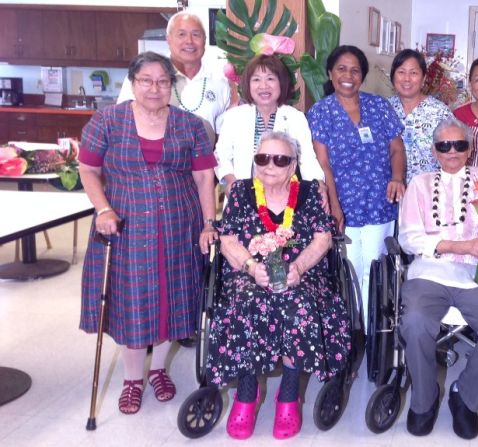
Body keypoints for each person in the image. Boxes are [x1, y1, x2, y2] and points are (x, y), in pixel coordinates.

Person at [78, 51, 218, 415]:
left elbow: (204, 177)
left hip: (178, 226)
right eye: (146, 80)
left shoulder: (191, 125)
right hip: (126, 227)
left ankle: (158, 371)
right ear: (133, 82)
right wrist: (103, 208)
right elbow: (88, 170)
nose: (155, 88)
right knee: (133, 302)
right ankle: (132, 379)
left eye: (163, 81)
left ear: (173, 85)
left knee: (173, 298)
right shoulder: (107, 120)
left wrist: (208, 223)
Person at [206, 132, 349, 440]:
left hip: (304, 273)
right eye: (262, 158)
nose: (270, 165)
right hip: (248, 273)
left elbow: (323, 238)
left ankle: (288, 395)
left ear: (293, 164)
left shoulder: (310, 193)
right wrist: (250, 267)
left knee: (298, 304)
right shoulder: (241, 191)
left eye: (280, 159)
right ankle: (246, 394)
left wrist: (298, 267)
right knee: (247, 303)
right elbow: (228, 238)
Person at [398, 118, 478, 440]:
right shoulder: (420, 184)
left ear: (470, 150)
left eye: (459, 145)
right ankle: (424, 401)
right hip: (430, 273)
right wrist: (457, 245)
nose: (452, 151)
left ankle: (465, 397)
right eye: (444, 145)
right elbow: (409, 238)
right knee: (414, 323)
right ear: (434, 151)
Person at [307, 45, 406, 315]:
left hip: (380, 202)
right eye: (341, 68)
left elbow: (397, 148)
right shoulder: (320, 112)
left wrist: (397, 177)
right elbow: (322, 164)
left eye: (355, 70)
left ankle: (373, 332)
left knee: (375, 270)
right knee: (350, 270)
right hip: (344, 204)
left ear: (362, 75)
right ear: (330, 73)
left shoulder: (379, 106)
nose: (348, 75)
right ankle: (353, 330)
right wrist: (335, 206)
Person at [214, 54, 324, 196]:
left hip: (283, 198)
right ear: (248, 84)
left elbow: (307, 159)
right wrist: (233, 183)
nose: (263, 86)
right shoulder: (234, 116)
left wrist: (319, 184)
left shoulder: (295, 117)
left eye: (270, 79)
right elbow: (221, 156)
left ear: (281, 83)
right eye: (256, 79)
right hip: (242, 196)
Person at [117, 11, 232, 142]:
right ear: (168, 39)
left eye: (196, 35)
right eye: (181, 34)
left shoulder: (220, 80)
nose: (189, 41)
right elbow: (123, 121)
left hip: (204, 159)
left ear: (204, 40)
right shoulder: (143, 77)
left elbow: (223, 135)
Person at [387, 48, 453, 182]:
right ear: (393, 77)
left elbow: (453, 155)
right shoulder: (383, 109)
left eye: (413, 73)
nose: (407, 79)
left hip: (429, 191)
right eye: (401, 72)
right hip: (389, 192)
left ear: (423, 78)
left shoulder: (440, 112)